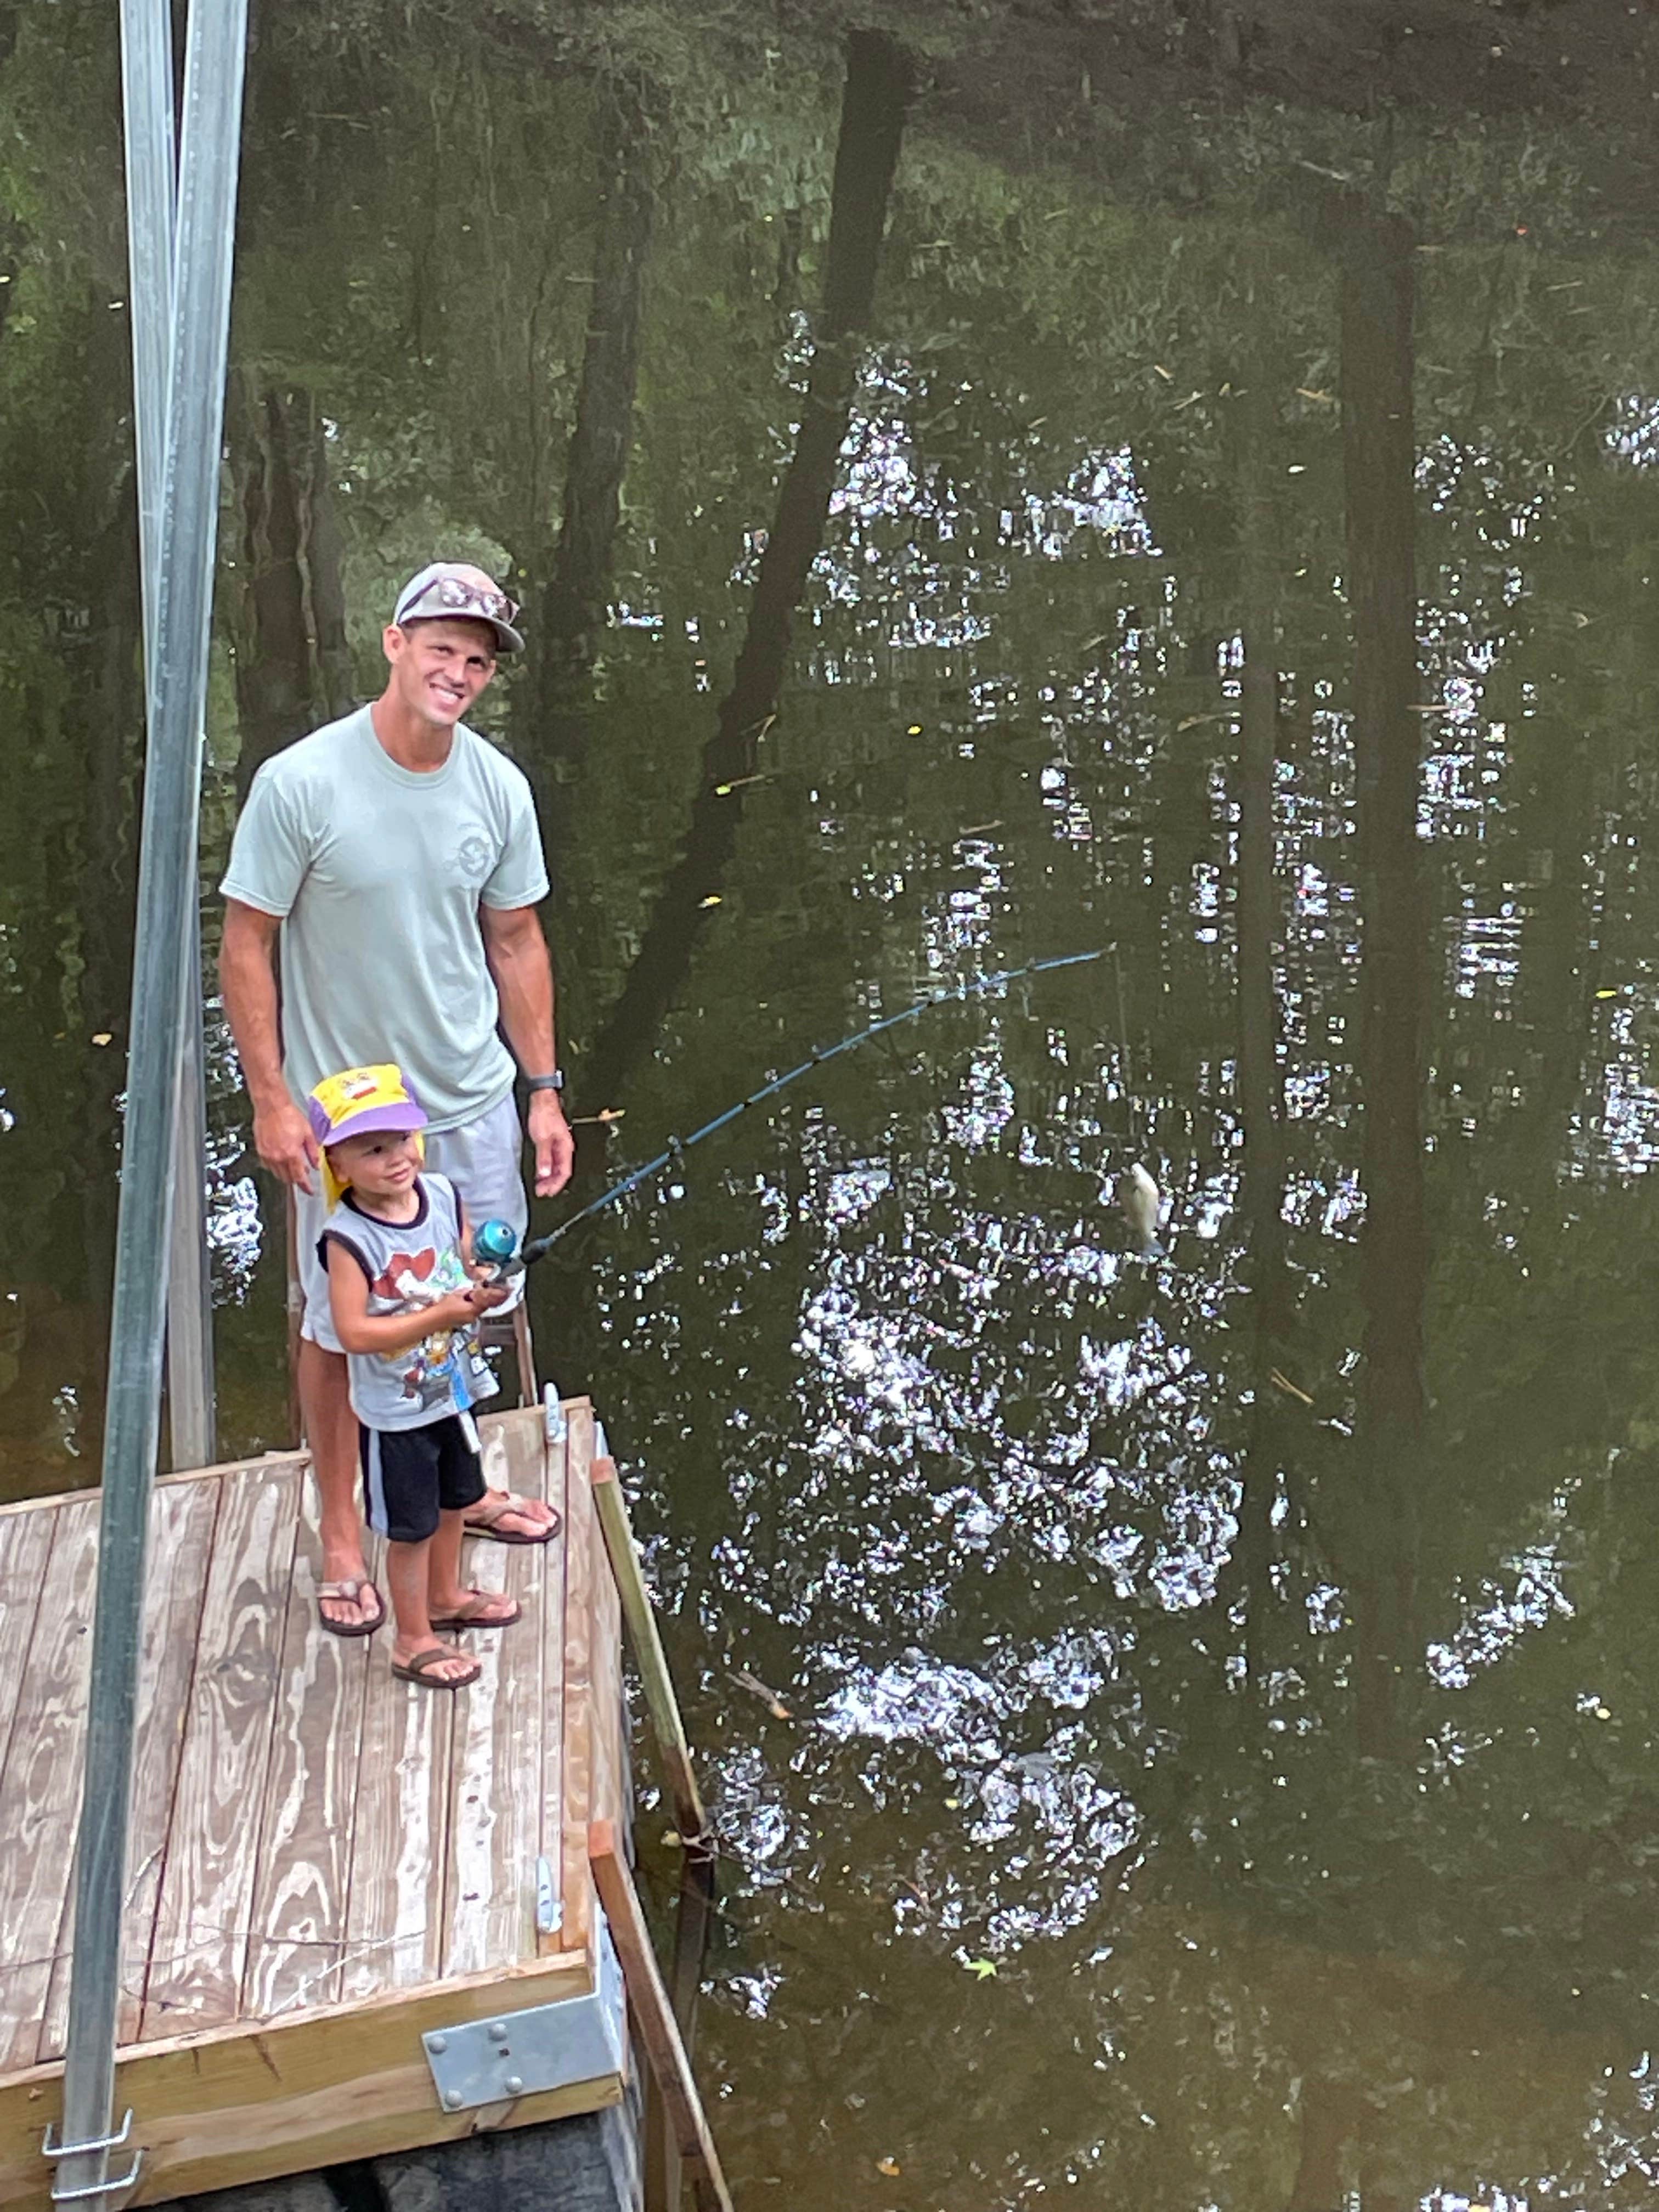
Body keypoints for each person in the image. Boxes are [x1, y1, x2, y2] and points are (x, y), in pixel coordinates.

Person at [219, 561, 574, 1637]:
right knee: (339, 1327)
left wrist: (544, 1093)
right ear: (394, 643)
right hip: (348, 1121)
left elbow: (516, 940)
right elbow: (247, 943)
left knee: (480, 1293)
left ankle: (467, 1489)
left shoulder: (497, 789)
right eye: (442, 648)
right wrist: (274, 1101)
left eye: (477, 659)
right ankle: (341, 1527)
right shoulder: (301, 784)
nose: (457, 672)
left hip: (470, 1105)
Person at [309, 1063, 520, 1689]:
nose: (394, 1158)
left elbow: (458, 1269)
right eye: (371, 1149)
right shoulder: (347, 1238)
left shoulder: (442, 1193)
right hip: (395, 1411)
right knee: (412, 1528)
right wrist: (437, 1316)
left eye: (401, 1139)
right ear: (338, 1165)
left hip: (451, 1392)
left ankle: (446, 1597)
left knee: (456, 1500)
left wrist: (479, 1287)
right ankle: (412, 1640)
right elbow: (354, 1334)